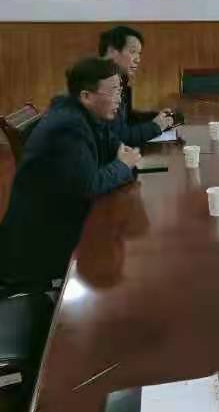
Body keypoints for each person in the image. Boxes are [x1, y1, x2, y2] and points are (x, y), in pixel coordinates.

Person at [0, 58, 140, 288]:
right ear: (86, 96)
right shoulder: (68, 128)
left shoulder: (81, 114)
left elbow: (109, 142)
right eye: (114, 91)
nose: (119, 98)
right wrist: (123, 165)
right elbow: (88, 186)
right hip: (39, 249)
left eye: (120, 91)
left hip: (58, 226)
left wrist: (118, 150)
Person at [98, 25, 173, 147]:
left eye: (139, 53)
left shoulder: (121, 80)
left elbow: (126, 120)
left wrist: (157, 118)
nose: (138, 59)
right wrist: (155, 126)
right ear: (111, 52)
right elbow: (119, 137)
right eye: (132, 52)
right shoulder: (100, 86)